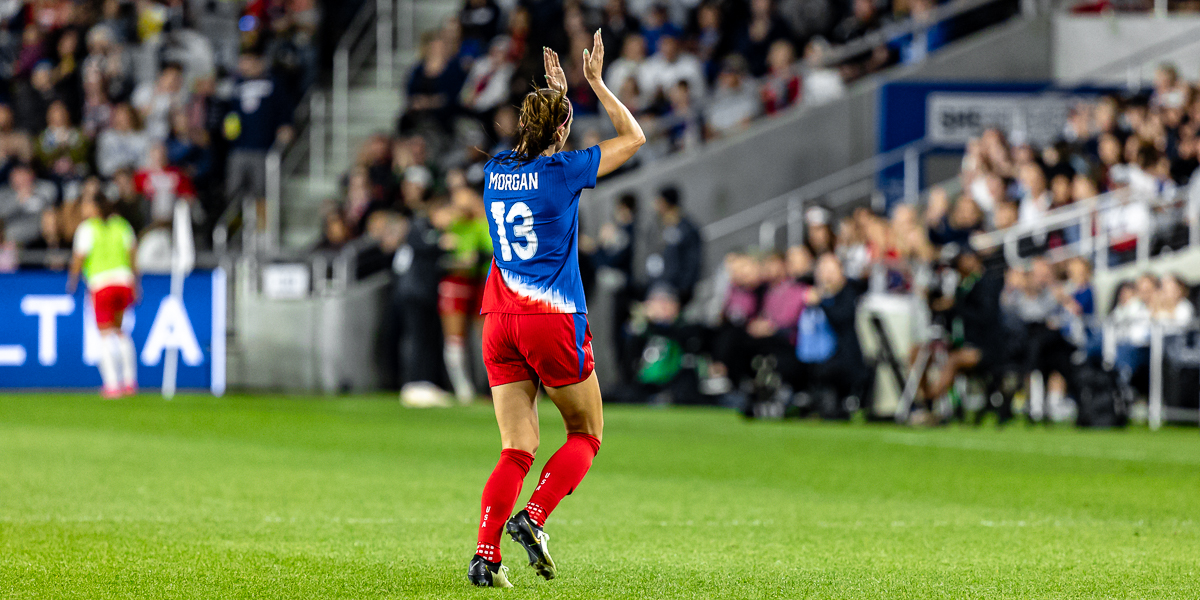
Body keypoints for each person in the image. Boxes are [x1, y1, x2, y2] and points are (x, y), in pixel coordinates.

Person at [468, 34, 645, 587]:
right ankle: (535, 519)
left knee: (516, 447)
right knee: (585, 433)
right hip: (550, 319)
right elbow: (633, 137)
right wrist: (592, 84)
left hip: (498, 321)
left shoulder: (494, 172)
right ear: (563, 130)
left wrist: (554, 97)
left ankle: (485, 556)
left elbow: (535, 143)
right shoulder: (564, 171)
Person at [66, 192, 139, 398]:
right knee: (120, 330)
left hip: (101, 285)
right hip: (124, 282)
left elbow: (79, 258)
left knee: (105, 334)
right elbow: (133, 254)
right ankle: (130, 382)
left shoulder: (87, 228)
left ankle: (112, 385)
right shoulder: (122, 225)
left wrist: (72, 281)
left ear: (96, 208)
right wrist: (136, 283)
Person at [648, 186, 702, 307]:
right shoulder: (657, 227)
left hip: (678, 291)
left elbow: (693, 260)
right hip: (658, 287)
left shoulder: (687, 228)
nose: (655, 205)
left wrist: (684, 288)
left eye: (658, 201)